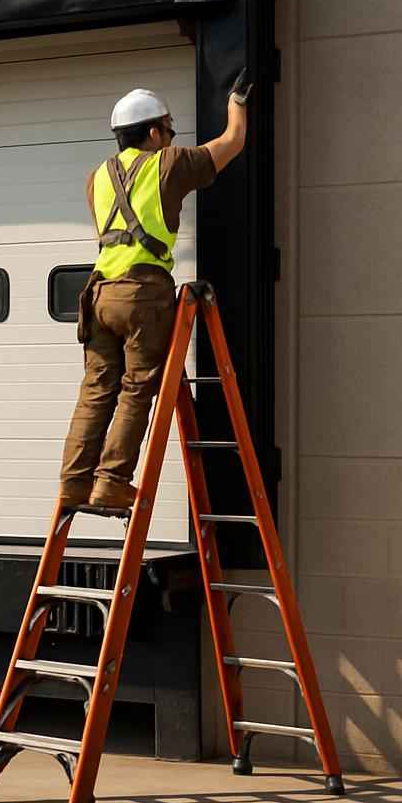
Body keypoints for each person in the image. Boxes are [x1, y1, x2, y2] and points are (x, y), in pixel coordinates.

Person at [59, 78, 251, 510]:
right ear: (152, 132)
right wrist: (236, 102)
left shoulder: (97, 178)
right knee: (136, 386)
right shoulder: (168, 164)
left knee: (96, 389)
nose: (170, 138)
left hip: (99, 295)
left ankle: (74, 481)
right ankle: (111, 481)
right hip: (142, 294)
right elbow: (232, 141)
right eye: (168, 129)